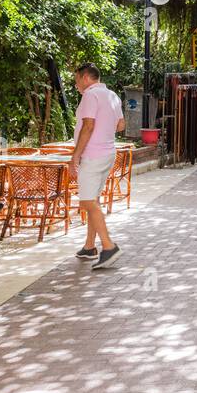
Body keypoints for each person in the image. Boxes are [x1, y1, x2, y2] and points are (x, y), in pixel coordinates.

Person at [69, 63, 125, 269]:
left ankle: (108, 246)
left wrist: (75, 156)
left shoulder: (90, 95)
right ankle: (90, 246)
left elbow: (89, 125)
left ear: (85, 78)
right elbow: (121, 125)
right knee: (93, 200)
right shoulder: (112, 95)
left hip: (92, 156)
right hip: (108, 153)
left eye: (76, 79)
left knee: (87, 202)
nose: (76, 84)